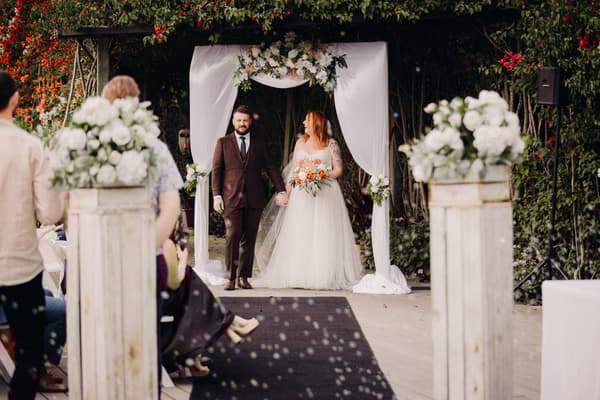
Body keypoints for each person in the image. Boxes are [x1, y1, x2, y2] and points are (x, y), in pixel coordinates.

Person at [0, 70, 64, 399]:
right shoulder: (30, 147)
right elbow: (51, 213)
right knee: (28, 354)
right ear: (15, 99)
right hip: (19, 269)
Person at [255, 111, 363, 289]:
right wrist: (285, 192)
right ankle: (298, 274)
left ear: (317, 123)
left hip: (325, 193)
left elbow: (338, 169)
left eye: (308, 120)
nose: (304, 122)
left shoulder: (331, 143)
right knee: (301, 231)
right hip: (302, 194)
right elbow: (294, 170)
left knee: (323, 231)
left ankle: (322, 276)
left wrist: (319, 175)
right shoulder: (300, 142)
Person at [160, 222, 259, 377]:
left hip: (157, 296)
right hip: (157, 301)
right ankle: (229, 323)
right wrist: (183, 260)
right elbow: (173, 282)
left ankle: (226, 326)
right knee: (188, 279)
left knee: (189, 282)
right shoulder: (162, 241)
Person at [211, 105, 288, 290]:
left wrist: (281, 190)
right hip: (231, 197)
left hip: (254, 197)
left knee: (250, 237)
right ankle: (231, 277)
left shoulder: (259, 143)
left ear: (250, 121)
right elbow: (217, 170)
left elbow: (271, 167)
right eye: (238, 120)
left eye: (245, 120)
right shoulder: (223, 142)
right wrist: (216, 195)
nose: (242, 123)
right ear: (233, 121)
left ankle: (244, 277)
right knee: (233, 235)